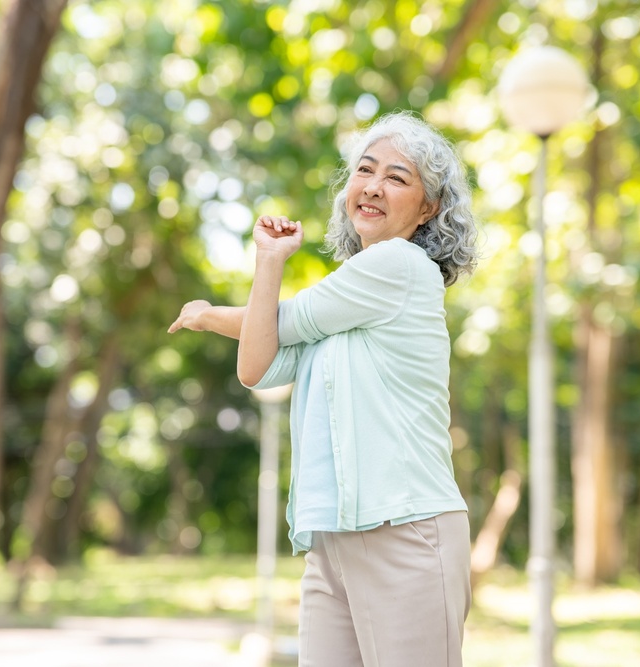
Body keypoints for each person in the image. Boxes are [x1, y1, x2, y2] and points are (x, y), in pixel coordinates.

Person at [169, 110, 479, 667]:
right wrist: (268, 260)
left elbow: (286, 319)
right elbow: (258, 367)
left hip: (405, 530)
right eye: (365, 170)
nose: (374, 186)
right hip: (333, 535)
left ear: (428, 208)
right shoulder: (345, 305)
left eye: (398, 177)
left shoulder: (401, 265)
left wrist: (209, 315)